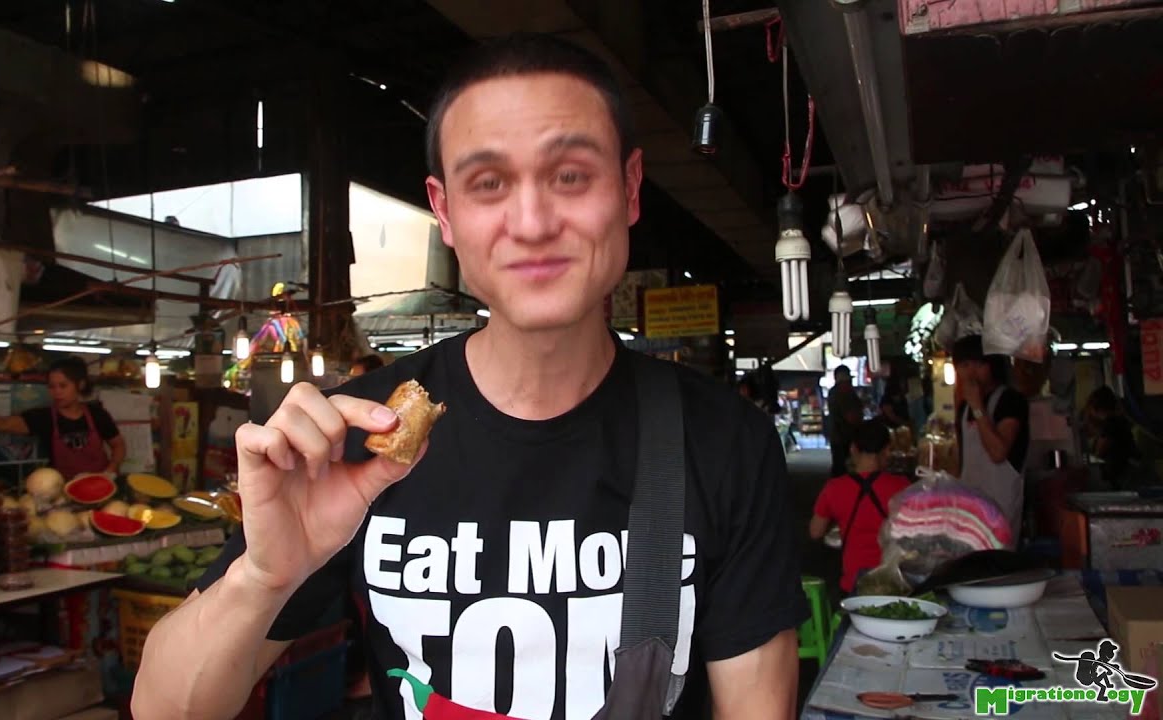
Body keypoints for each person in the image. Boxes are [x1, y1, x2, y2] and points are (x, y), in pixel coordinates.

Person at [132, 33, 806, 720]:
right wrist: (265, 576)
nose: (534, 222)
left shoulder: (724, 442)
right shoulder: (359, 434)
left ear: (630, 189)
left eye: (571, 174)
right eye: (488, 184)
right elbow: (163, 710)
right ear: (446, 210)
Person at [0, 356, 125, 477]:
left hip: (101, 486)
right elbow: (3, 424)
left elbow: (118, 445)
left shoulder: (97, 414)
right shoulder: (43, 418)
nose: (57, 392)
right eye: (52, 387)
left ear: (80, 385)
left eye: (63, 386)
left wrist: (112, 467)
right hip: (62, 491)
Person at [809, 420, 911, 594]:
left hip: (854, 584)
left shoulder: (834, 488)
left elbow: (815, 532)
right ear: (887, 451)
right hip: (895, 582)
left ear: (853, 449)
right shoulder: (902, 486)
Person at [952, 334, 1030, 545]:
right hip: (970, 509)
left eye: (978, 364)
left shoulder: (1010, 401)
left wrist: (978, 406)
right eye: (964, 365)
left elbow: (998, 453)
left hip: (1001, 507)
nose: (971, 372)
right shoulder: (963, 409)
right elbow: (961, 464)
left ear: (992, 366)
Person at [1085, 386, 1143, 490]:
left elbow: (1099, 452)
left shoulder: (1111, 423)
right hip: (1128, 472)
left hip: (1123, 476)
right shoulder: (1120, 421)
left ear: (1095, 407)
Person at [828, 365, 864, 476]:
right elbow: (850, 417)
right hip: (845, 437)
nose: (850, 383)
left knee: (840, 468)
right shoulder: (843, 393)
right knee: (844, 469)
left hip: (839, 437)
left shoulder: (834, 392)